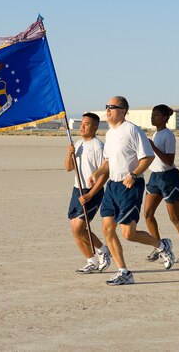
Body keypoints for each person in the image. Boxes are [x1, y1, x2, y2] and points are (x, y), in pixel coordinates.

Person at [89, 96, 175, 286]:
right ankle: (123, 271)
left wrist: (134, 174)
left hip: (130, 186)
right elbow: (108, 162)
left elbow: (147, 157)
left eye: (112, 107)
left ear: (123, 110)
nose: (108, 110)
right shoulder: (110, 133)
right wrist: (97, 173)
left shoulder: (132, 130)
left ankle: (162, 245)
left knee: (128, 233)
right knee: (107, 228)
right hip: (112, 185)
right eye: (106, 106)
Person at [144, 104, 179, 263]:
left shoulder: (168, 135)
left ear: (165, 118)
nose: (153, 117)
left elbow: (169, 160)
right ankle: (159, 246)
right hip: (154, 177)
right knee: (147, 214)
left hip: (169, 178)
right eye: (152, 114)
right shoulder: (155, 134)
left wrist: (152, 147)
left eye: (156, 115)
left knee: (174, 217)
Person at [64, 113, 111, 274]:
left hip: (92, 191)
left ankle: (103, 249)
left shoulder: (98, 146)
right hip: (77, 189)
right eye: (81, 123)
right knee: (75, 229)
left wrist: (91, 194)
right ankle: (90, 261)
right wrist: (69, 153)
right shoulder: (78, 144)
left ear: (96, 126)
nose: (82, 127)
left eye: (87, 124)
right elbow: (68, 167)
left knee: (79, 228)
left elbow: (105, 173)